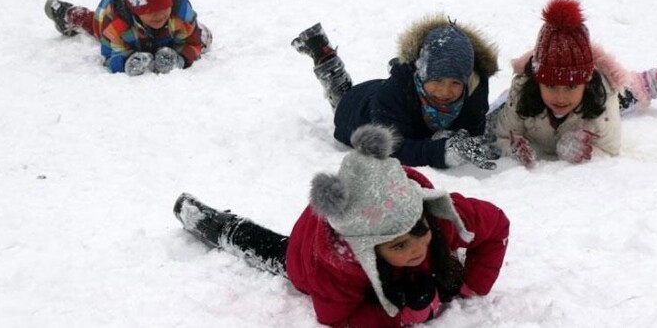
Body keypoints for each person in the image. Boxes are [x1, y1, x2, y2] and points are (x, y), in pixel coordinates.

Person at [174, 125, 509, 327]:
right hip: (308, 253)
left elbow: (497, 227)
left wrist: (472, 285)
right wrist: (401, 315)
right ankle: (212, 223)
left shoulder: (437, 213)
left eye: (418, 232)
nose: (416, 248)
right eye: (398, 246)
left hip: (362, 211)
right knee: (273, 250)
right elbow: (337, 318)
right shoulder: (337, 265)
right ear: (368, 250)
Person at [489, 0, 657, 168]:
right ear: (537, 81)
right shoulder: (522, 92)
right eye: (550, 86)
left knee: (625, 94)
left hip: (592, 103)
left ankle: (650, 82)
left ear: (586, 82)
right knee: (501, 107)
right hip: (530, 100)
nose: (560, 97)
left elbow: (610, 149)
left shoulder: (602, 99)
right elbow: (500, 137)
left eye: (571, 86)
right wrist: (513, 149)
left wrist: (582, 151)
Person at [291, 15, 501, 170]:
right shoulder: (391, 95)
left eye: (455, 82)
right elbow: (390, 149)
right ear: (421, 74)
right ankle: (324, 57)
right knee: (341, 95)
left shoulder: (474, 86)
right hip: (358, 109)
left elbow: (473, 127)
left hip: (397, 99)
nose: (445, 91)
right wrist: (442, 152)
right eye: (436, 80)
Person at [44, 0, 212, 76]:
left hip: (168, 34)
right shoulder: (115, 23)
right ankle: (68, 14)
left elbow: (193, 43)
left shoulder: (180, 15)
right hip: (120, 29)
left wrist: (180, 58)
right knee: (94, 25)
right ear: (135, 9)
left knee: (202, 36)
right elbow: (109, 55)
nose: (159, 15)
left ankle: (196, 31)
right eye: (150, 11)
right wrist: (125, 62)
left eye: (163, 7)